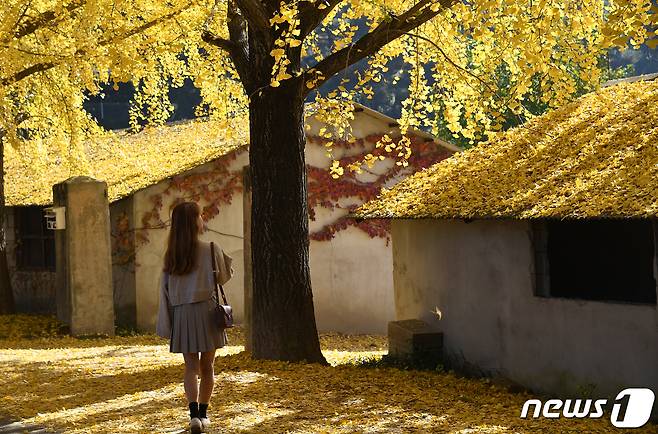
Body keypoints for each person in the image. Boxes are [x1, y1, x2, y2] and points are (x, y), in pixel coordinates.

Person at [156, 202, 233, 434]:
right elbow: (223, 278)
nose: (203, 218)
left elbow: (165, 291)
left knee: (190, 367)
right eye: (200, 215)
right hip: (208, 313)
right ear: (194, 221)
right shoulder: (210, 248)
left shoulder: (171, 256)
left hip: (182, 315)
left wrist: (167, 321)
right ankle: (203, 414)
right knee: (208, 367)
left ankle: (192, 417)